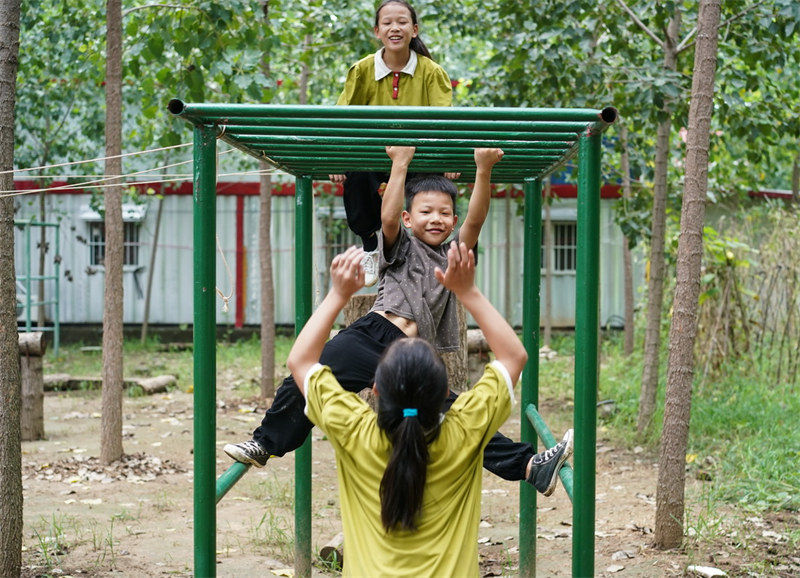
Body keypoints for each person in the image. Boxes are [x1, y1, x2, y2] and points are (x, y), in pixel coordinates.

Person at [224, 146, 573, 496]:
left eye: (444, 213)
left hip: (411, 354)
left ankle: (530, 467)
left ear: (453, 222)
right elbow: (387, 219)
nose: (436, 219)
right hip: (370, 335)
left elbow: (476, 220)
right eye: (426, 212)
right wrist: (400, 163)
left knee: (458, 419)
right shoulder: (400, 246)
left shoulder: (453, 256)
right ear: (409, 219)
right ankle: (264, 443)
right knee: (304, 378)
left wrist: (483, 170)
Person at [287, 241, 568, 576]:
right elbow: (514, 357)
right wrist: (468, 291)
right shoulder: (465, 428)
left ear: (375, 389)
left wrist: (338, 294)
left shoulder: (352, 429)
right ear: (445, 393)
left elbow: (300, 361)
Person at [331, 0, 457, 286]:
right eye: (387, 23)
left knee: (431, 192)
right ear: (377, 31)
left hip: (418, 157)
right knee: (357, 177)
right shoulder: (362, 70)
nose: (394, 28)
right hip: (374, 156)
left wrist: (449, 160)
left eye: (401, 22)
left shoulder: (431, 72)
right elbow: (342, 117)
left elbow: (444, 121)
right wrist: (338, 159)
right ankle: (369, 243)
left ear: (414, 29)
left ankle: (424, 254)